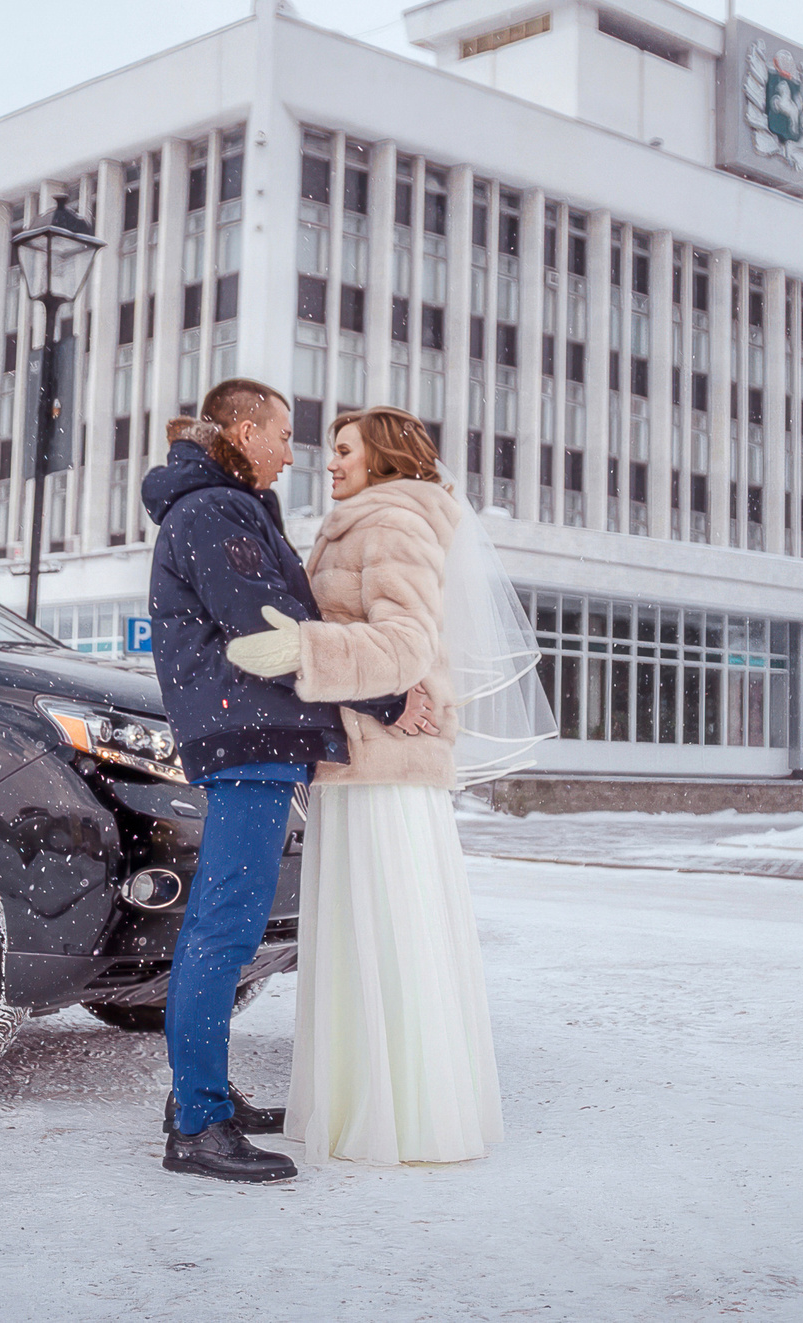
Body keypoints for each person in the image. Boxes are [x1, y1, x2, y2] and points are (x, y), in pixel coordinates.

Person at [226, 404, 549, 1165]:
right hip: (360, 761)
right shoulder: (361, 519)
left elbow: (406, 642)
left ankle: (404, 1115)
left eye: (343, 450)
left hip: (385, 771)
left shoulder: (393, 522)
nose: (329, 463)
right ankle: (367, 1104)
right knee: (363, 936)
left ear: (385, 458)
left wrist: (303, 647)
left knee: (388, 934)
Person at [140, 378, 429, 1184]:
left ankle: (200, 1098)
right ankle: (197, 1122)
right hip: (248, 734)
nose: (292, 451)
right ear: (242, 428)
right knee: (223, 930)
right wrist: (388, 693)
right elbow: (273, 630)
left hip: (251, 732)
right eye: (282, 432)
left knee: (223, 925)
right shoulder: (214, 512)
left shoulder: (221, 507)